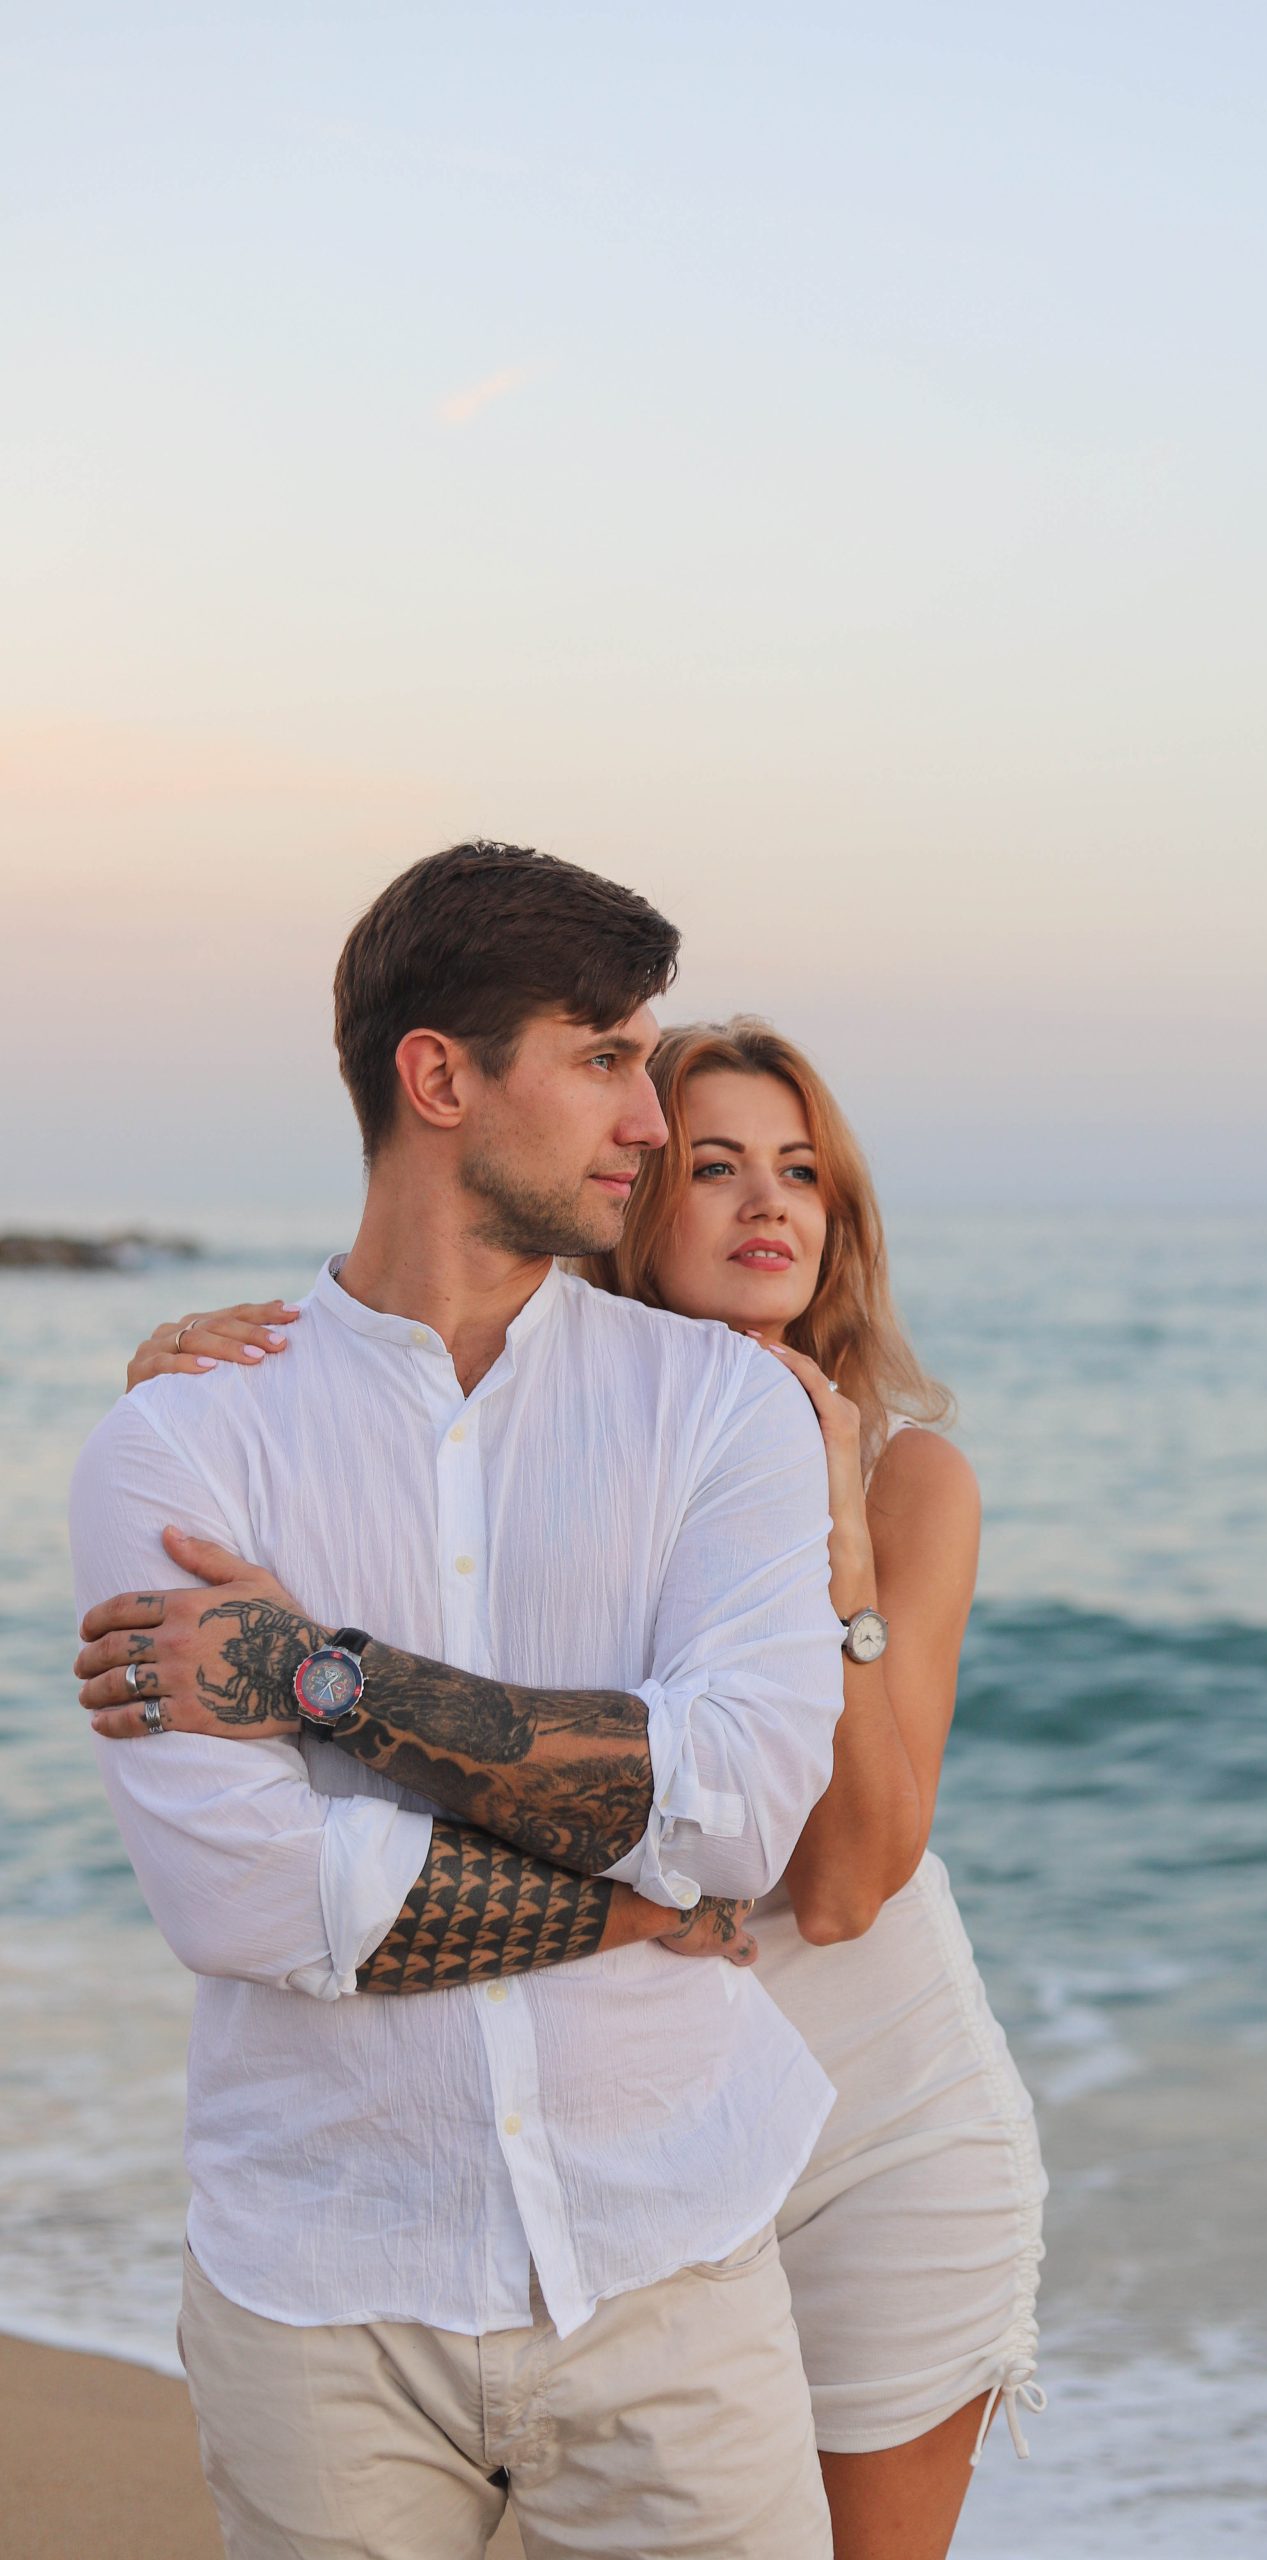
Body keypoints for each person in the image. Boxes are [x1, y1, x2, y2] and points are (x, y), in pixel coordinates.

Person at [122, 1015, 1047, 2560]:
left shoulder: (908, 1476)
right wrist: (195, 1413)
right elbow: (461, 1698)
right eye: (716, 1166)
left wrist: (838, 1537)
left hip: (881, 2125)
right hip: (632, 2138)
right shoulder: (557, 1432)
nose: (771, 1208)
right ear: (629, 1194)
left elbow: (836, 1881)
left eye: (804, 1172)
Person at [70, 842, 849, 2560]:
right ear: (439, 1076)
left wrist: (318, 1678)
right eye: (602, 1057)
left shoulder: (726, 1411)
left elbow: (740, 1810)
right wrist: (645, 1907)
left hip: (675, 2269)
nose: (648, 1117)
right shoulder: (183, 1447)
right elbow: (255, 1899)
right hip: (320, 2292)